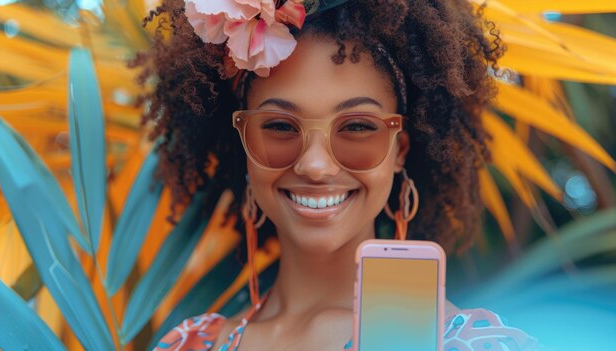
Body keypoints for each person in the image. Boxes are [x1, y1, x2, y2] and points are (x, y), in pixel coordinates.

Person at [134, 0, 540, 349]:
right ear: (244, 146)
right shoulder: (188, 344)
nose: (315, 165)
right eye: (278, 126)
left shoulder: (465, 344)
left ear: (399, 151)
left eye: (358, 127)